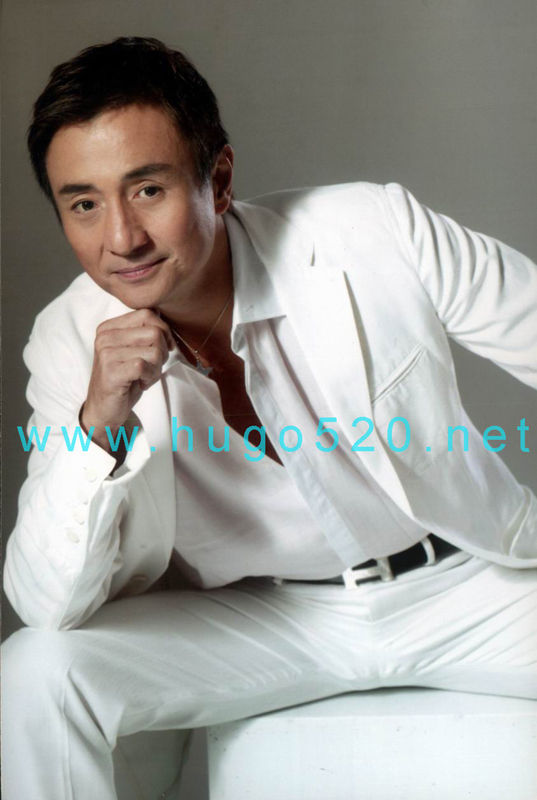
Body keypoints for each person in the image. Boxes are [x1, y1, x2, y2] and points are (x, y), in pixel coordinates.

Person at [2, 36, 536, 800]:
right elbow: (46, 603)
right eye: (84, 204)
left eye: (147, 189)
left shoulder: (373, 230)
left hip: (464, 591)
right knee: (37, 670)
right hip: (258, 623)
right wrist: (100, 422)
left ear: (217, 179)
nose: (121, 239)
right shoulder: (67, 337)